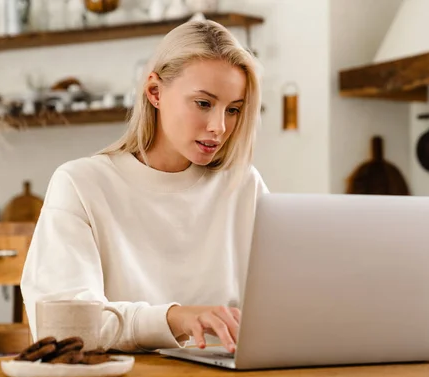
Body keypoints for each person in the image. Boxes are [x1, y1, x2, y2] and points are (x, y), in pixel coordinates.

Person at [20, 19, 268, 354]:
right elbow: (67, 331)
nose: (219, 127)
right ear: (155, 92)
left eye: (234, 109)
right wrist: (175, 318)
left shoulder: (244, 185)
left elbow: (280, 308)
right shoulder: (80, 184)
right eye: (203, 103)